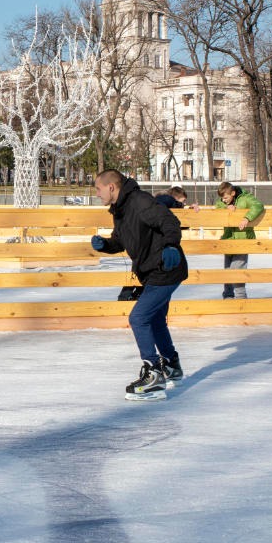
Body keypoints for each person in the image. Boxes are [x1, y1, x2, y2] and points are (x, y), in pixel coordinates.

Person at [90, 169, 187, 401]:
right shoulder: (120, 210)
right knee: (153, 319)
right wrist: (105, 245)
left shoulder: (140, 201)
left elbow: (170, 222)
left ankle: (153, 373)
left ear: (111, 187)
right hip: (152, 271)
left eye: (98, 189)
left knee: (139, 318)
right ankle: (171, 365)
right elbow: (121, 241)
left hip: (165, 268)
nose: (97, 194)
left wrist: (171, 246)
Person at [216, 181, 266, 299]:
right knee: (228, 270)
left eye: (226, 198)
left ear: (233, 193)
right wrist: (226, 207)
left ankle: (240, 297)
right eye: (222, 198)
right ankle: (228, 296)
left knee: (237, 269)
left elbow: (258, 205)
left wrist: (246, 218)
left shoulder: (246, 198)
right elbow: (218, 205)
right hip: (228, 239)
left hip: (242, 241)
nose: (223, 200)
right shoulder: (223, 202)